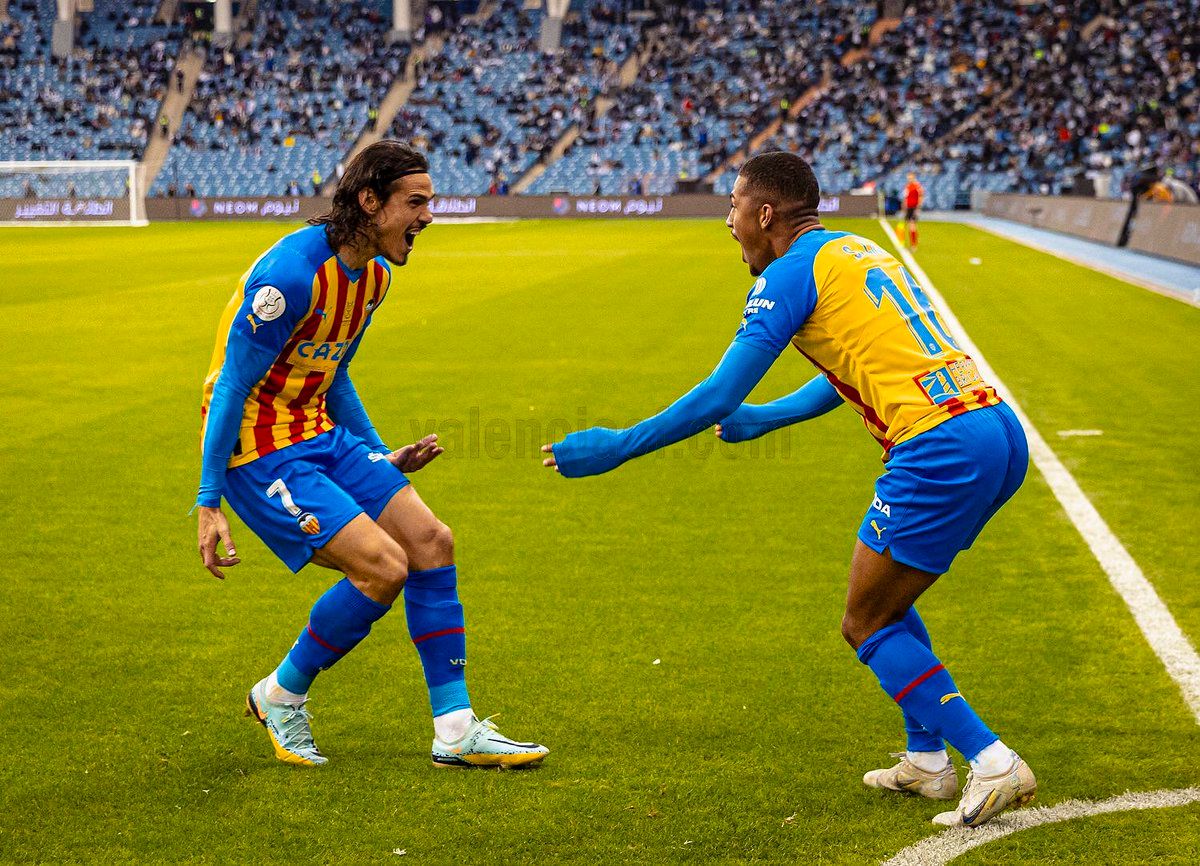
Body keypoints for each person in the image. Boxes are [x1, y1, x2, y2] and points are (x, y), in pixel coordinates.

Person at [541, 152, 1035, 828]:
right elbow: (851, 365)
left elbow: (719, 391)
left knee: (865, 621)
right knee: (890, 598)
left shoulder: (785, 274)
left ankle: (992, 760)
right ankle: (926, 761)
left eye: (734, 207)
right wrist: (766, 419)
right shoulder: (853, 251)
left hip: (938, 444)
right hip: (995, 428)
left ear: (765, 213)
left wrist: (617, 447)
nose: (728, 222)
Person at [196, 140, 548, 770]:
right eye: (417, 202)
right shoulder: (290, 277)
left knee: (432, 542)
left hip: (317, 430)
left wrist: (380, 454)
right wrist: (208, 501)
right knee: (384, 567)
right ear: (369, 202)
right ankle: (280, 695)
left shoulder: (375, 276)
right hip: (258, 448)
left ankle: (456, 728)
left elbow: (336, 370)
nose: (430, 217)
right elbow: (229, 386)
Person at [902, 172, 923, 249]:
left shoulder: (917, 186)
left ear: (913, 177)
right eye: (908, 178)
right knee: (909, 225)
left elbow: (921, 196)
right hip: (908, 207)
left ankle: (914, 244)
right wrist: (904, 206)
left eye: (910, 178)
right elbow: (905, 197)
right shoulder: (907, 186)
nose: (909, 179)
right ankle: (913, 242)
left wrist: (918, 207)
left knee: (912, 225)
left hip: (914, 207)